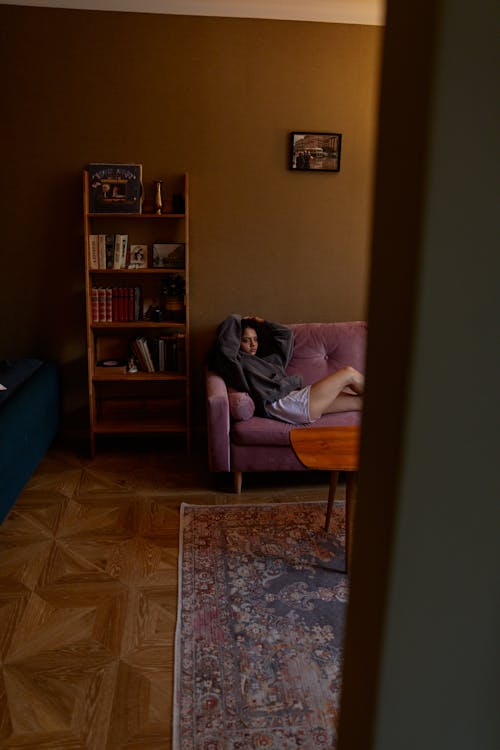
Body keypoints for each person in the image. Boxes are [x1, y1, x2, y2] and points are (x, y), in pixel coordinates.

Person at [212, 314, 364, 425]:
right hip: (288, 404)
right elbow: (226, 343)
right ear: (236, 342)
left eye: (255, 339)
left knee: (359, 402)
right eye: (246, 340)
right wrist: (240, 320)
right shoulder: (236, 362)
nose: (253, 344)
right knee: (348, 373)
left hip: (295, 400)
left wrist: (262, 322)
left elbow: (286, 336)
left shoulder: (269, 362)